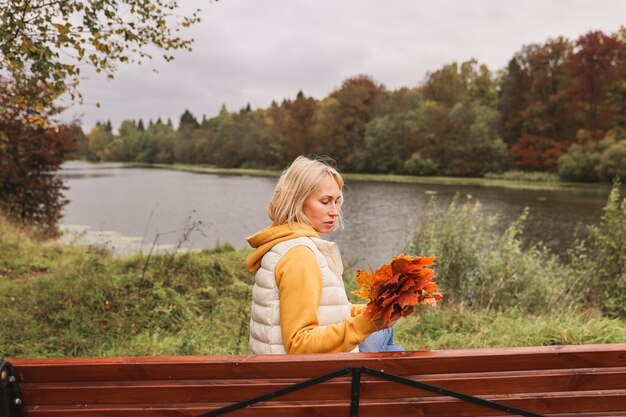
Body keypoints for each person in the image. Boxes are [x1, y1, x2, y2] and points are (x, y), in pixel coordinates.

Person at [246, 155, 403, 354]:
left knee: (385, 334)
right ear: (297, 201)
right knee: (389, 347)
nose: (335, 211)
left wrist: (373, 312)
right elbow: (299, 344)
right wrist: (366, 324)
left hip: (290, 371)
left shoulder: (283, 241)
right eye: (325, 201)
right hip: (307, 378)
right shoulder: (299, 256)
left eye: (337, 201)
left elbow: (327, 309)